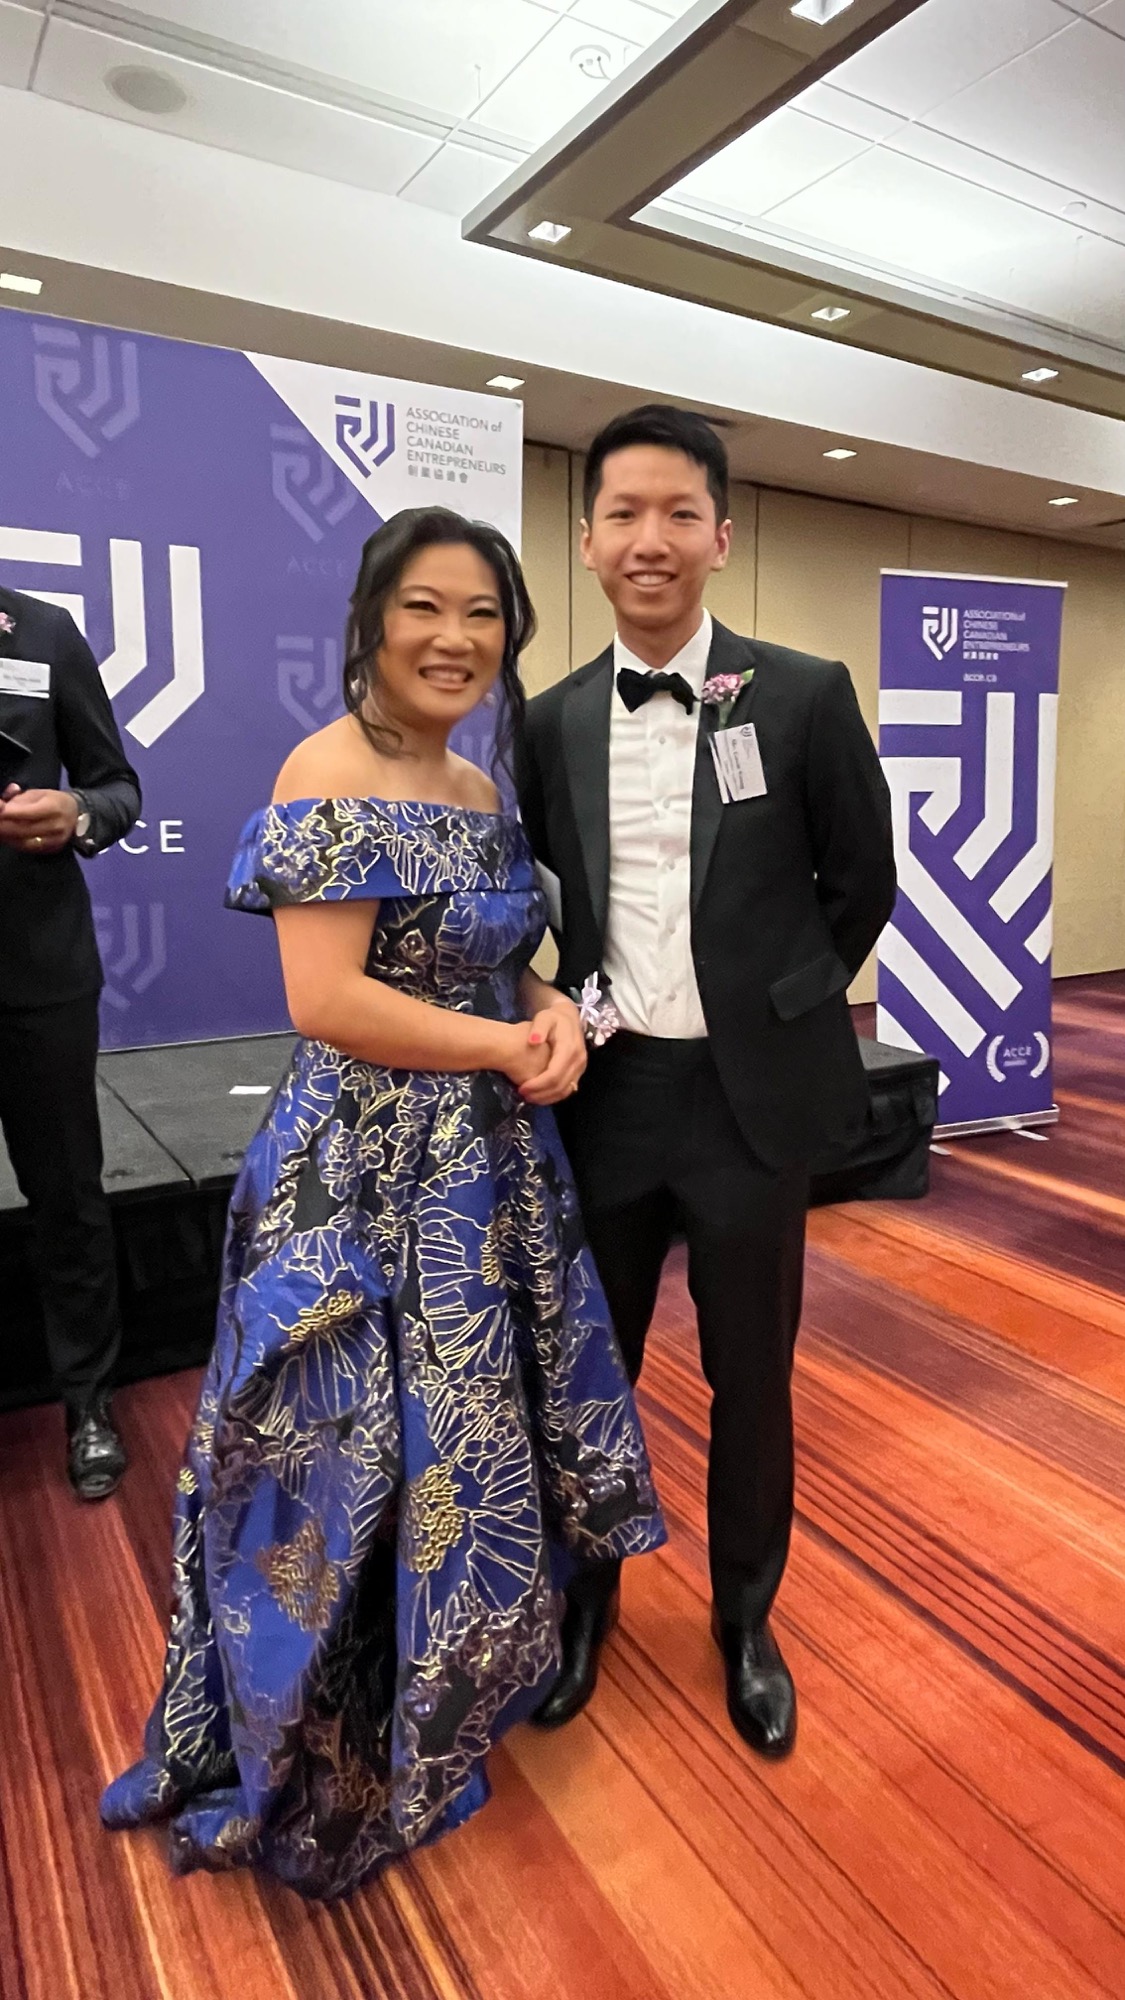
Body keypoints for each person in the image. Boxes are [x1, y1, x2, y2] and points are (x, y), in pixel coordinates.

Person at [101, 508, 665, 1900]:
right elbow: (327, 1001)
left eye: (483, 615)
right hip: (353, 1174)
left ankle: (426, 1706)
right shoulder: (325, 769)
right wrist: (503, 1045)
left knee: (458, 1451)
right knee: (316, 1456)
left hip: (481, 1179)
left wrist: (549, 1014)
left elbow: (495, 960)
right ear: (370, 618)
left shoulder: (480, 789)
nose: (454, 640)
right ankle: (283, 1732)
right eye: (426, 608)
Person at [517, 405, 896, 1759]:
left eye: (679, 513)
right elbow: (536, 907)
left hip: (752, 1107)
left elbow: (863, 883)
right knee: (589, 1380)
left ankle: (746, 1618)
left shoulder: (799, 694)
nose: (650, 539)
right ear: (587, 539)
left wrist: (783, 1007)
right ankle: (584, 1613)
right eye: (623, 513)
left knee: (753, 1378)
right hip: (610, 1101)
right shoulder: (548, 718)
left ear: (721, 537)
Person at [0, 584, 141, 1500]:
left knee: (68, 1196)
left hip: (38, 974)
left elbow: (118, 786)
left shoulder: (44, 632)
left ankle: (88, 1400)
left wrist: (77, 814)